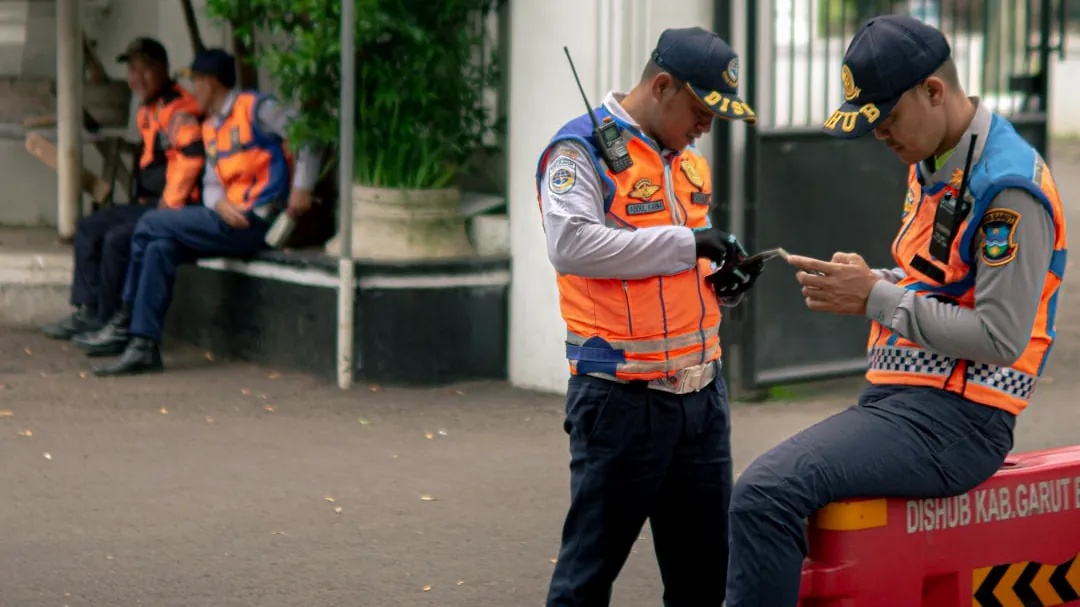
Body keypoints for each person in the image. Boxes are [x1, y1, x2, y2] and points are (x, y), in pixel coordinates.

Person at [724, 15, 1067, 606]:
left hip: (957, 423)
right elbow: (938, 284)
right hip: (905, 404)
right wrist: (869, 281)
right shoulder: (936, 156)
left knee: (766, 492)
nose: (880, 135)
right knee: (773, 494)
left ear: (934, 91)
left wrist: (876, 297)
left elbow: (1000, 334)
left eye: (886, 118)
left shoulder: (1008, 187)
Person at [538, 27, 765, 607]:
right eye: (700, 110)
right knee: (586, 578)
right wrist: (690, 245)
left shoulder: (687, 165)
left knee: (704, 582)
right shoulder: (579, 149)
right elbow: (571, 245)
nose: (706, 127)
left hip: (702, 398)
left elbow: (673, 268)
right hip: (620, 401)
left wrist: (723, 285)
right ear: (662, 86)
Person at [77, 48, 321, 376]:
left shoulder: (256, 108)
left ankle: (124, 316)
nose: (193, 91)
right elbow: (212, 187)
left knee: (149, 223)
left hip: (260, 218)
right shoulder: (211, 126)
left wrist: (302, 189)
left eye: (196, 82)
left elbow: (309, 136)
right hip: (228, 219)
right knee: (159, 248)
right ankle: (143, 345)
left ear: (210, 83)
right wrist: (218, 204)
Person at [41, 37, 204, 343]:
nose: (136, 78)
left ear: (163, 69)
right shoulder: (147, 109)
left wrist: (169, 204)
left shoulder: (178, 108)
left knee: (117, 239)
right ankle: (88, 311)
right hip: (148, 203)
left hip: (173, 207)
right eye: (132, 69)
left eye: (145, 69)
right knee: (89, 228)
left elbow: (191, 157)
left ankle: (108, 322)